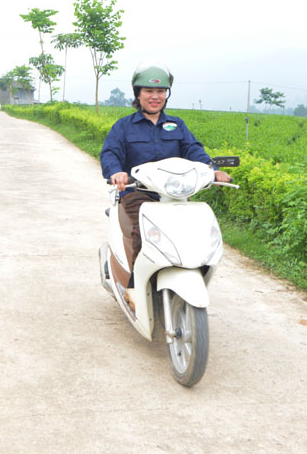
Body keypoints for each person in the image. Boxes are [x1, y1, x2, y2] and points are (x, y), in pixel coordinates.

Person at [99, 62, 232, 311]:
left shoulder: (177, 125)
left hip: (174, 195)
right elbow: (110, 153)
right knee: (145, 231)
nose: (155, 96)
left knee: (193, 229)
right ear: (137, 94)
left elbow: (193, 150)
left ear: (166, 95)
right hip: (138, 193)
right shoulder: (124, 127)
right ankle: (135, 287)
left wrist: (211, 170)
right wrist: (116, 172)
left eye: (160, 92)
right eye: (148, 91)